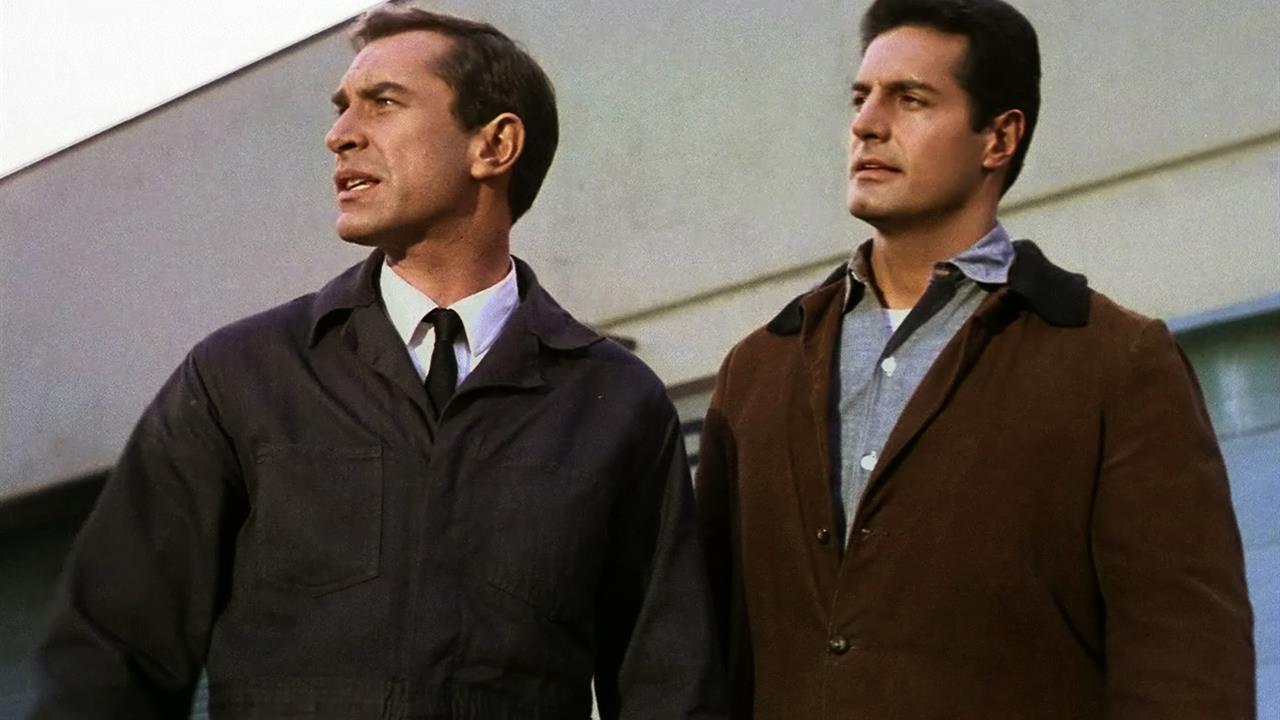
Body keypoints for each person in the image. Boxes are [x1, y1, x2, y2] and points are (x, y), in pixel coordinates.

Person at [33, 6, 725, 718]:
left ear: (494, 145)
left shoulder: (614, 400)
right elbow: (107, 661)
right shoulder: (240, 376)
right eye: (342, 108)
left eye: (383, 103)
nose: (339, 135)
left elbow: (671, 687)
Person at [694, 0, 1255, 717]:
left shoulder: (1113, 362)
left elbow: (1187, 661)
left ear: (999, 137)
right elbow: (699, 654)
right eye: (861, 98)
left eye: (910, 99)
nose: (867, 124)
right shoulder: (756, 371)